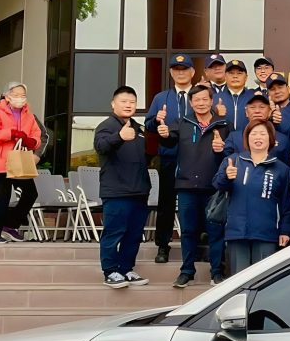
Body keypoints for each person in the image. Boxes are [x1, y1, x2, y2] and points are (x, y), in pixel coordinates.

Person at [157, 84, 230, 287]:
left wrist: (222, 148)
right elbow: (169, 141)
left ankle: (217, 272)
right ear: (191, 102)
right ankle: (187, 271)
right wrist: (164, 133)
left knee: (216, 232)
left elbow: (231, 154)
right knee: (188, 231)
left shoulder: (223, 125)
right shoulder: (182, 122)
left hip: (214, 188)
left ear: (211, 101)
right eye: (196, 100)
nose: (201, 103)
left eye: (205, 99)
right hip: (186, 186)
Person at [214, 119, 290, 275]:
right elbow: (217, 184)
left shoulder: (281, 169)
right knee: (239, 277)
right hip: (237, 230)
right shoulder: (233, 161)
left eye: (263, 134)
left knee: (263, 277)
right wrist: (227, 177)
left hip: (267, 232)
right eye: (254, 134)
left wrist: (285, 230)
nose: (258, 137)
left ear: (271, 138)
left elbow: (287, 203)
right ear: (247, 138)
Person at [93, 86, 151, 288]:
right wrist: (119, 136)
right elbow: (101, 147)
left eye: (132, 102)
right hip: (117, 191)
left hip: (139, 190)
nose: (128, 105)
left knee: (134, 234)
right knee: (114, 232)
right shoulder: (106, 126)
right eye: (124, 101)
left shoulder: (138, 128)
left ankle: (126, 269)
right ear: (113, 104)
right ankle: (110, 271)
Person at [145, 52, 196, 264]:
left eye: (185, 69)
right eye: (176, 69)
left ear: (193, 72)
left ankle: (195, 246)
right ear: (171, 73)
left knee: (193, 203)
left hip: (194, 158)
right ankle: (163, 246)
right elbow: (148, 126)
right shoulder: (161, 98)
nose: (181, 73)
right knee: (166, 203)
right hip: (169, 157)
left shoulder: (200, 95)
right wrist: (156, 120)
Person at [0, 82, 42, 244]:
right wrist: (11, 133)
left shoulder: (29, 115)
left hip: (20, 161)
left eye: (23, 95)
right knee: (3, 197)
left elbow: (37, 135)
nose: (20, 98)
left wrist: (32, 141)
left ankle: (9, 225)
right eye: (16, 95)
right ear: (7, 97)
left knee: (31, 193)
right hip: (2, 162)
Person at [225, 92, 290, 164]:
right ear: (246, 112)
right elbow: (225, 163)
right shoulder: (234, 137)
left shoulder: (282, 139)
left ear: (269, 112)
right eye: (252, 107)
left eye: (262, 107)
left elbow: (286, 167)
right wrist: (218, 151)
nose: (257, 111)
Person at [215, 59, 252, 133]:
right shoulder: (215, 98)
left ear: (246, 77)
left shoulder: (253, 98)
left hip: (248, 138)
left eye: (239, 73)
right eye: (231, 73)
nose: (235, 76)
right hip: (222, 139)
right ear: (225, 77)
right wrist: (216, 115)